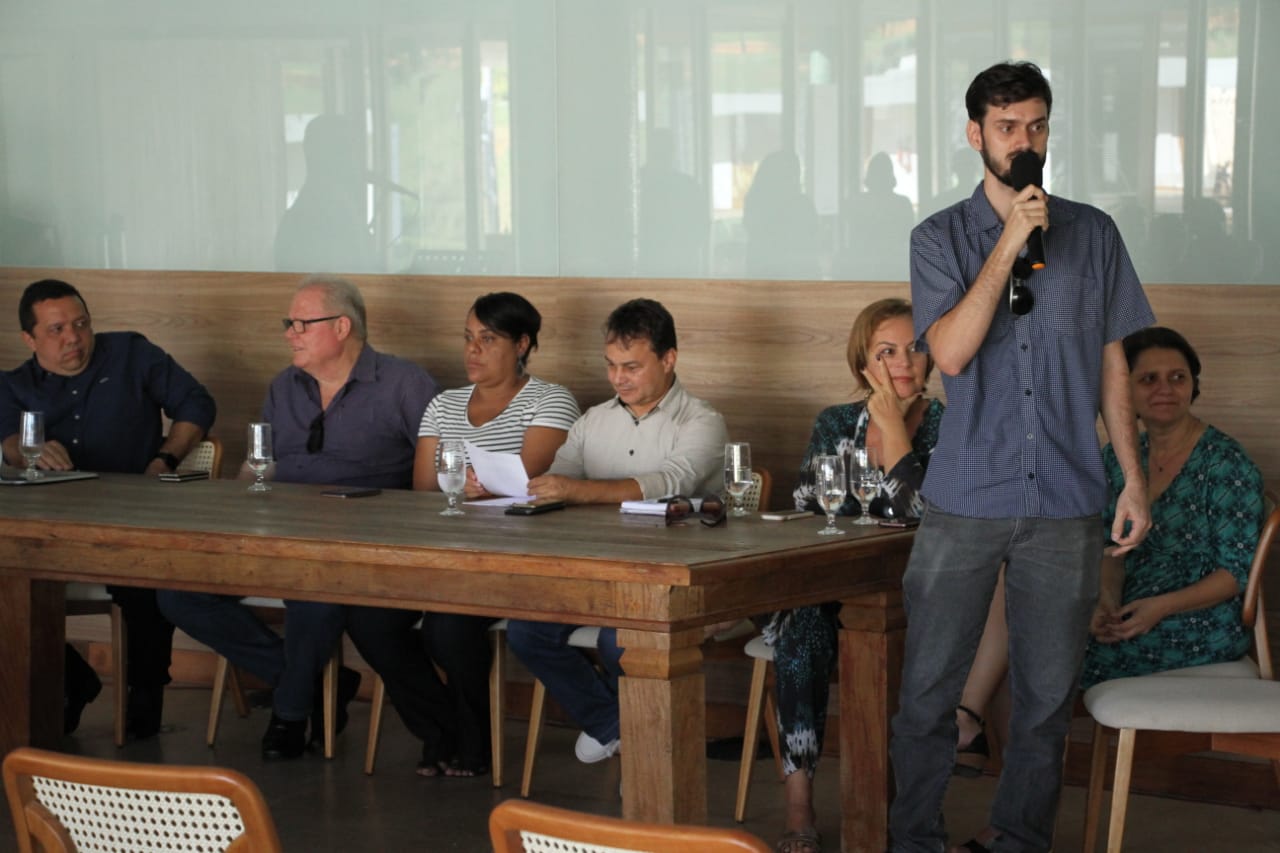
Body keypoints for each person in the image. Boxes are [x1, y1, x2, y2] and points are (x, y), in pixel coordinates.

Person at [887, 61, 1155, 853]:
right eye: (1007, 127)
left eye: (1036, 125)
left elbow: (1114, 365)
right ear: (975, 135)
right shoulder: (937, 237)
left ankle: (1019, 841)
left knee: (1044, 699)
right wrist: (1008, 243)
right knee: (929, 690)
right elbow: (955, 353)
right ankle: (914, 840)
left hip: (1068, 496)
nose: (1025, 141)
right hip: (965, 494)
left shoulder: (1095, 232)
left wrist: (1132, 476)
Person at [949, 328, 1265, 825]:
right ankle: (1012, 813)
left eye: (1177, 377)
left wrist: (1157, 608)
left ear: (1194, 386)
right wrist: (1103, 603)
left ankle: (998, 788)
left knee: (1030, 662)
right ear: (1125, 390)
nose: (1164, 388)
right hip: (1125, 614)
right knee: (1018, 600)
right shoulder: (1119, 459)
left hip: (1197, 624)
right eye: (1148, 379)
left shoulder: (1227, 463)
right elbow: (1107, 551)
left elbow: (1236, 574)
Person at [159, 275, 439, 760]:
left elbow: (435, 476)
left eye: (301, 323)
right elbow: (256, 463)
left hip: (355, 544)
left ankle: (291, 713)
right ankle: (307, 683)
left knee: (314, 597)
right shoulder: (283, 385)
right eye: (288, 323)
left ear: (342, 327)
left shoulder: (404, 384)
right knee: (178, 592)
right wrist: (238, 503)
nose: (290, 333)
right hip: (275, 533)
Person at [345, 291, 580, 778]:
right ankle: (442, 730)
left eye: (487, 339)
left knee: (447, 630)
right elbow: (424, 489)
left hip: (513, 560)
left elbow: (528, 482)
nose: (472, 350)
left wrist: (477, 488)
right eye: (468, 338)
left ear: (522, 344)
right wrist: (473, 489)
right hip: (441, 555)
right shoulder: (443, 404)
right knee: (368, 619)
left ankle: (473, 745)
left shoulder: (551, 399)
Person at [506, 298, 727, 764]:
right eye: (610, 366)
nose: (618, 378)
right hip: (596, 570)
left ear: (669, 359)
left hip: (671, 576)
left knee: (620, 640)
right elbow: (558, 486)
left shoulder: (703, 421)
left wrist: (578, 490)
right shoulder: (593, 420)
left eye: (631, 366)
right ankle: (618, 725)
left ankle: (636, 749)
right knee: (527, 632)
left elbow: (670, 483)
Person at [0, 278, 216, 739]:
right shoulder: (14, 386)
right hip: (51, 527)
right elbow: (9, 444)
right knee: (7, 581)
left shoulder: (132, 354)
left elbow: (197, 403)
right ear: (29, 339)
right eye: (56, 330)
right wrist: (25, 448)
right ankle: (74, 678)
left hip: (132, 516)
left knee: (144, 578)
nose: (73, 338)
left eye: (80, 324)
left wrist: (166, 458)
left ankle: (145, 696)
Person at [768, 298, 942, 853]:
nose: (904, 361)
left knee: (861, 632)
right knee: (800, 634)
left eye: (915, 347)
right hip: (831, 584)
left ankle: (878, 816)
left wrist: (893, 426)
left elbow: (916, 512)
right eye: (886, 351)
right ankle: (800, 807)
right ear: (862, 361)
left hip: (923, 593)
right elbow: (805, 503)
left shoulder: (954, 422)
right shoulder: (836, 423)